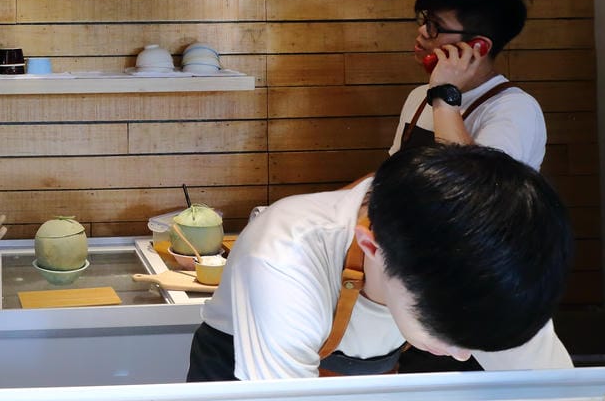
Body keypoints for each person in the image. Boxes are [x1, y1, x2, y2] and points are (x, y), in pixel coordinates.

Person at [186, 145, 572, 381]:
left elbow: (556, 390)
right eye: (445, 334)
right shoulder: (284, 254)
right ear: (372, 247)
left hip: (370, 369)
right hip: (244, 368)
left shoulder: (499, 258)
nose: (463, 355)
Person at [389, 0, 546, 170]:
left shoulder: (515, 109)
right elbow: (391, 175)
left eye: (435, 25)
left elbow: (477, 188)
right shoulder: (419, 96)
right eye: (425, 20)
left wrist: (444, 96)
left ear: (478, 46)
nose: (422, 30)